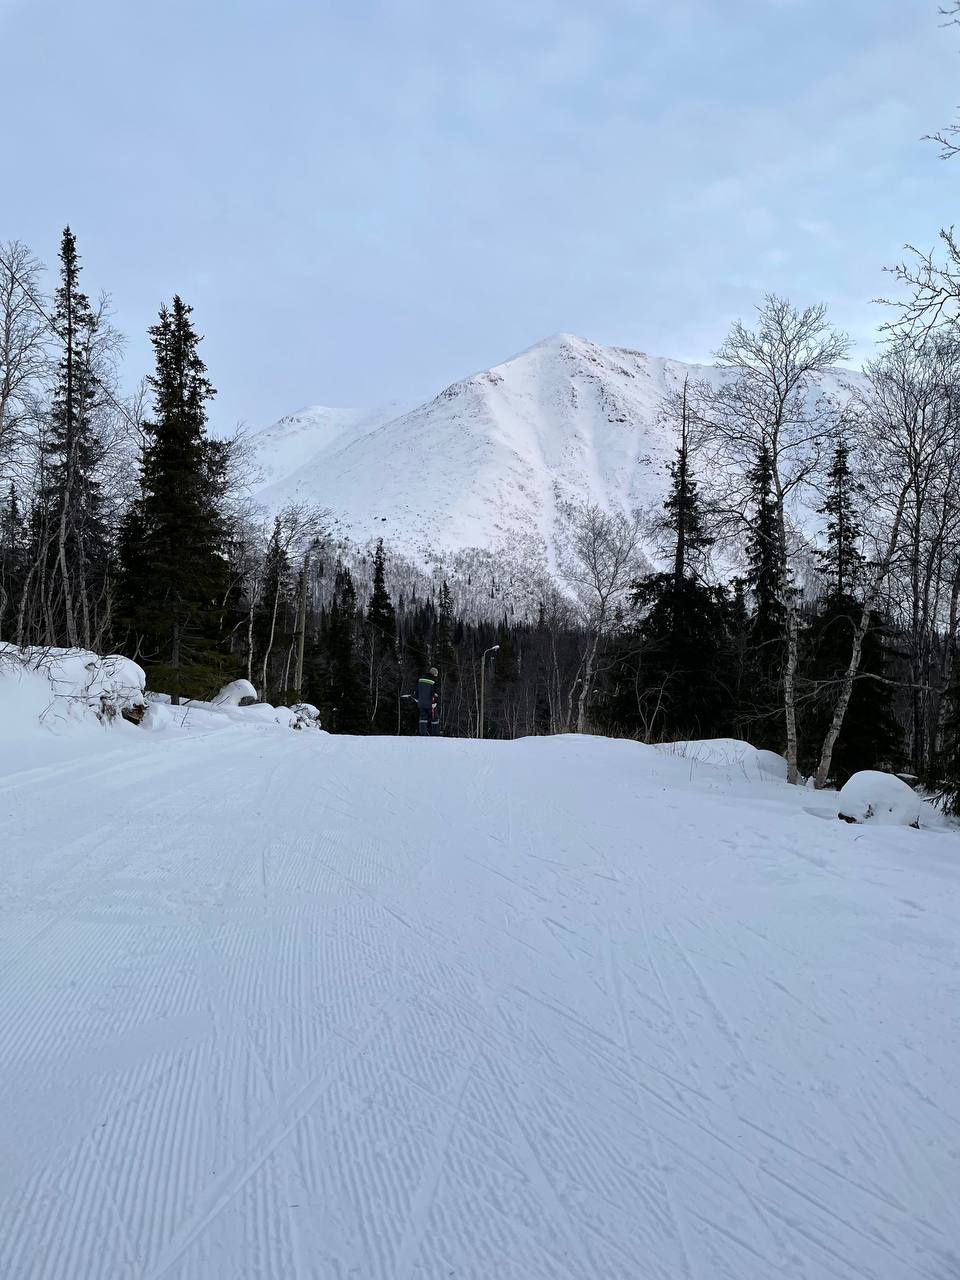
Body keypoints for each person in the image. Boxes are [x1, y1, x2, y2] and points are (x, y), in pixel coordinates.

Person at [416, 667, 441, 736]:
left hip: (421, 703)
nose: (437, 675)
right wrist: (436, 702)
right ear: (434, 674)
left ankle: (422, 734)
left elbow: (417, 690)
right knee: (434, 719)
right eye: (436, 674)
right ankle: (435, 734)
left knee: (423, 718)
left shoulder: (420, 679)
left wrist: (417, 698)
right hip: (431, 703)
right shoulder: (434, 681)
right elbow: (435, 693)